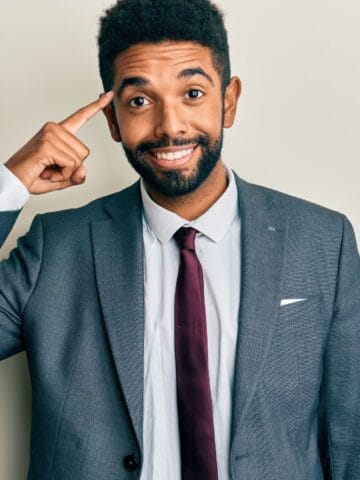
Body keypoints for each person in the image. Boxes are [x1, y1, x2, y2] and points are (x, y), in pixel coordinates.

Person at [0, 0, 359, 478]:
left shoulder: (322, 241)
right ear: (113, 121)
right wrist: (11, 184)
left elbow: (349, 434)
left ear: (228, 100)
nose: (170, 127)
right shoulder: (55, 248)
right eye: (140, 101)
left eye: (192, 93)